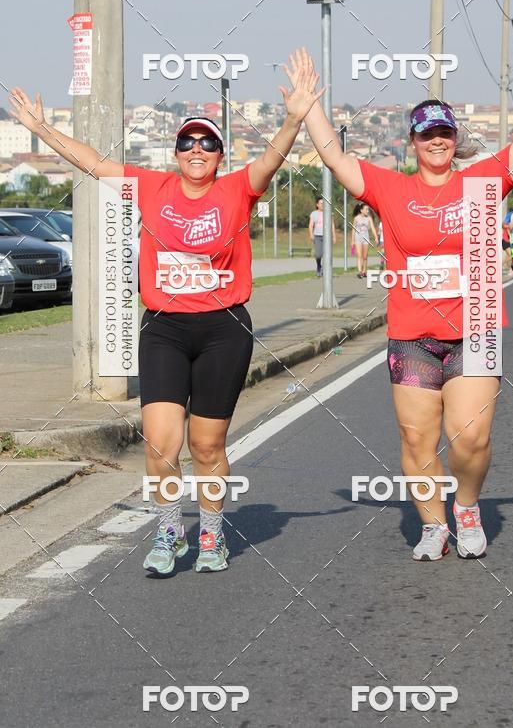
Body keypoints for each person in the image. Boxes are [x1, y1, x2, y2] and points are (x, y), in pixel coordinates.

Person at [8, 53, 323, 576]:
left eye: (207, 143)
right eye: (187, 143)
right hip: (164, 328)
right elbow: (92, 162)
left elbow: (271, 158)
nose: (196, 150)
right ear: (176, 153)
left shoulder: (237, 189)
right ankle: (168, 530)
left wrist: (293, 119)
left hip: (224, 328)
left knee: (206, 443)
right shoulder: (152, 187)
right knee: (161, 442)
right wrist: (41, 129)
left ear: (220, 154)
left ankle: (213, 534)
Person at [290, 35, 513, 561]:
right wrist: (309, 109)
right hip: (412, 336)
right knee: (416, 439)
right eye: (428, 134)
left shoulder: (480, 182)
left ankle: (466, 506)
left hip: (476, 328)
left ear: (455, 138)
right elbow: (334, 157)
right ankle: (433, 524)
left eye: (446, 132)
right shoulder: (390, 189)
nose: (438, 141)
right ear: (413, 141)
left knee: (469, 439)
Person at [309, 197, 336, 277]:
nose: (323, 205)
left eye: (324, 203)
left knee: (327, 254)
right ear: (317, 205)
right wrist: (311, 234)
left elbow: (332, 225)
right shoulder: (314, 213)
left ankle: (325, 270)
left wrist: (334, 236)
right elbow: (311, 225)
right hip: (317, 236)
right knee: (318, 254)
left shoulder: (329, 213)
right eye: (321, 203)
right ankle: (318, 266)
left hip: (327, 236)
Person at [351, 202, 377, 278]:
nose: (367, 211)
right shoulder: (356, 218)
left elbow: (372, 227)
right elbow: (353, 229)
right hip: (358, 238)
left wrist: (376, 237)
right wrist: (352, 240)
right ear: (361, 210)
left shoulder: (369, 218)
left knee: (365, 256)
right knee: (359, 255)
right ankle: (360, 272)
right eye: (366, 209)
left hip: (366, 238)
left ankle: (364, 271)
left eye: (368, 209)